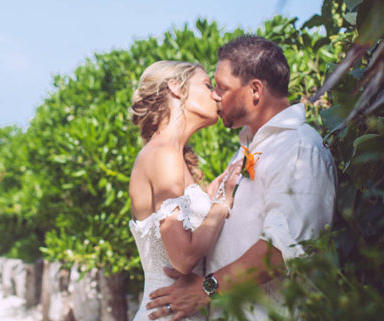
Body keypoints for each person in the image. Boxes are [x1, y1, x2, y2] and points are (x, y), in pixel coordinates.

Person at [145, 36, 337, 320]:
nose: (214, 96)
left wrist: (206, 288)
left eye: (222, 87)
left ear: (255, 90)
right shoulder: (246, 151)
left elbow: (280, 249)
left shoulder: (297, 147)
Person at [128, 60, 238, 321]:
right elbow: (183, 257)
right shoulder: (164, 154)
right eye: (207, 85)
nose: (215, 95)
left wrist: (209, 199)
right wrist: (221, 205)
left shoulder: (170, 155)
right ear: (176, 88)